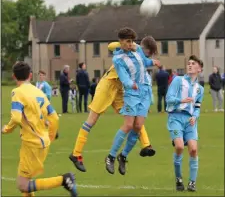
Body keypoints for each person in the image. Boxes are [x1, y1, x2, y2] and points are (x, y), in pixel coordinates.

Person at [69, 35, 158, 173]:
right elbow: (110, 46)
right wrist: (128, 44)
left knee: (133, 118)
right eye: (129, 42)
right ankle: (76, 154)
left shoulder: (140, 57)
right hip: (106, 87)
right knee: (92, 120)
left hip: (120, 90)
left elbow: (145, 64)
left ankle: (145, 145)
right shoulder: (126, 50)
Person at [2, 61, 77, 196]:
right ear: (30, 75)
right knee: (27, 181)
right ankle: (64, 180)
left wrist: (6, 129)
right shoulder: (39, 92)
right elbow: (54, 117)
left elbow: (16, 118)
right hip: (43, 142)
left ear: (13, 76)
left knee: (22, 184)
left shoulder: (17, 92)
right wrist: (51, 136)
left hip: (32, 143)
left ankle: (64, 180)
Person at [105, 28, 160, 175]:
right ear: (121, 41)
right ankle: (110, 157)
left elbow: (144, 61)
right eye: (128, 41)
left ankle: (123, 156)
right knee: (128, 125)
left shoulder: (137, 49)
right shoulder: (118, 59)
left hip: (145, 92)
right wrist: (131, 84)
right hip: (132, 93)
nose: (131, 44)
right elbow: (123, 77)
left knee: (138, 126)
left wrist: (153, 62)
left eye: (132, 41)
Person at [166, 55, 204, 192]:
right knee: (180, 147)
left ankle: (192, 182)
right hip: (175, 117)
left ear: (199, 69)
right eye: (188, 63)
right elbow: (168, 99)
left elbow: (198, 107)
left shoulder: (200, 89)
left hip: (190, 121)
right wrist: (181, 101)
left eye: (193, 64)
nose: (190, 65)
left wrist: (195, 116)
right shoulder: (178, 80)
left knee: (193, 149)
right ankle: (178, 178)